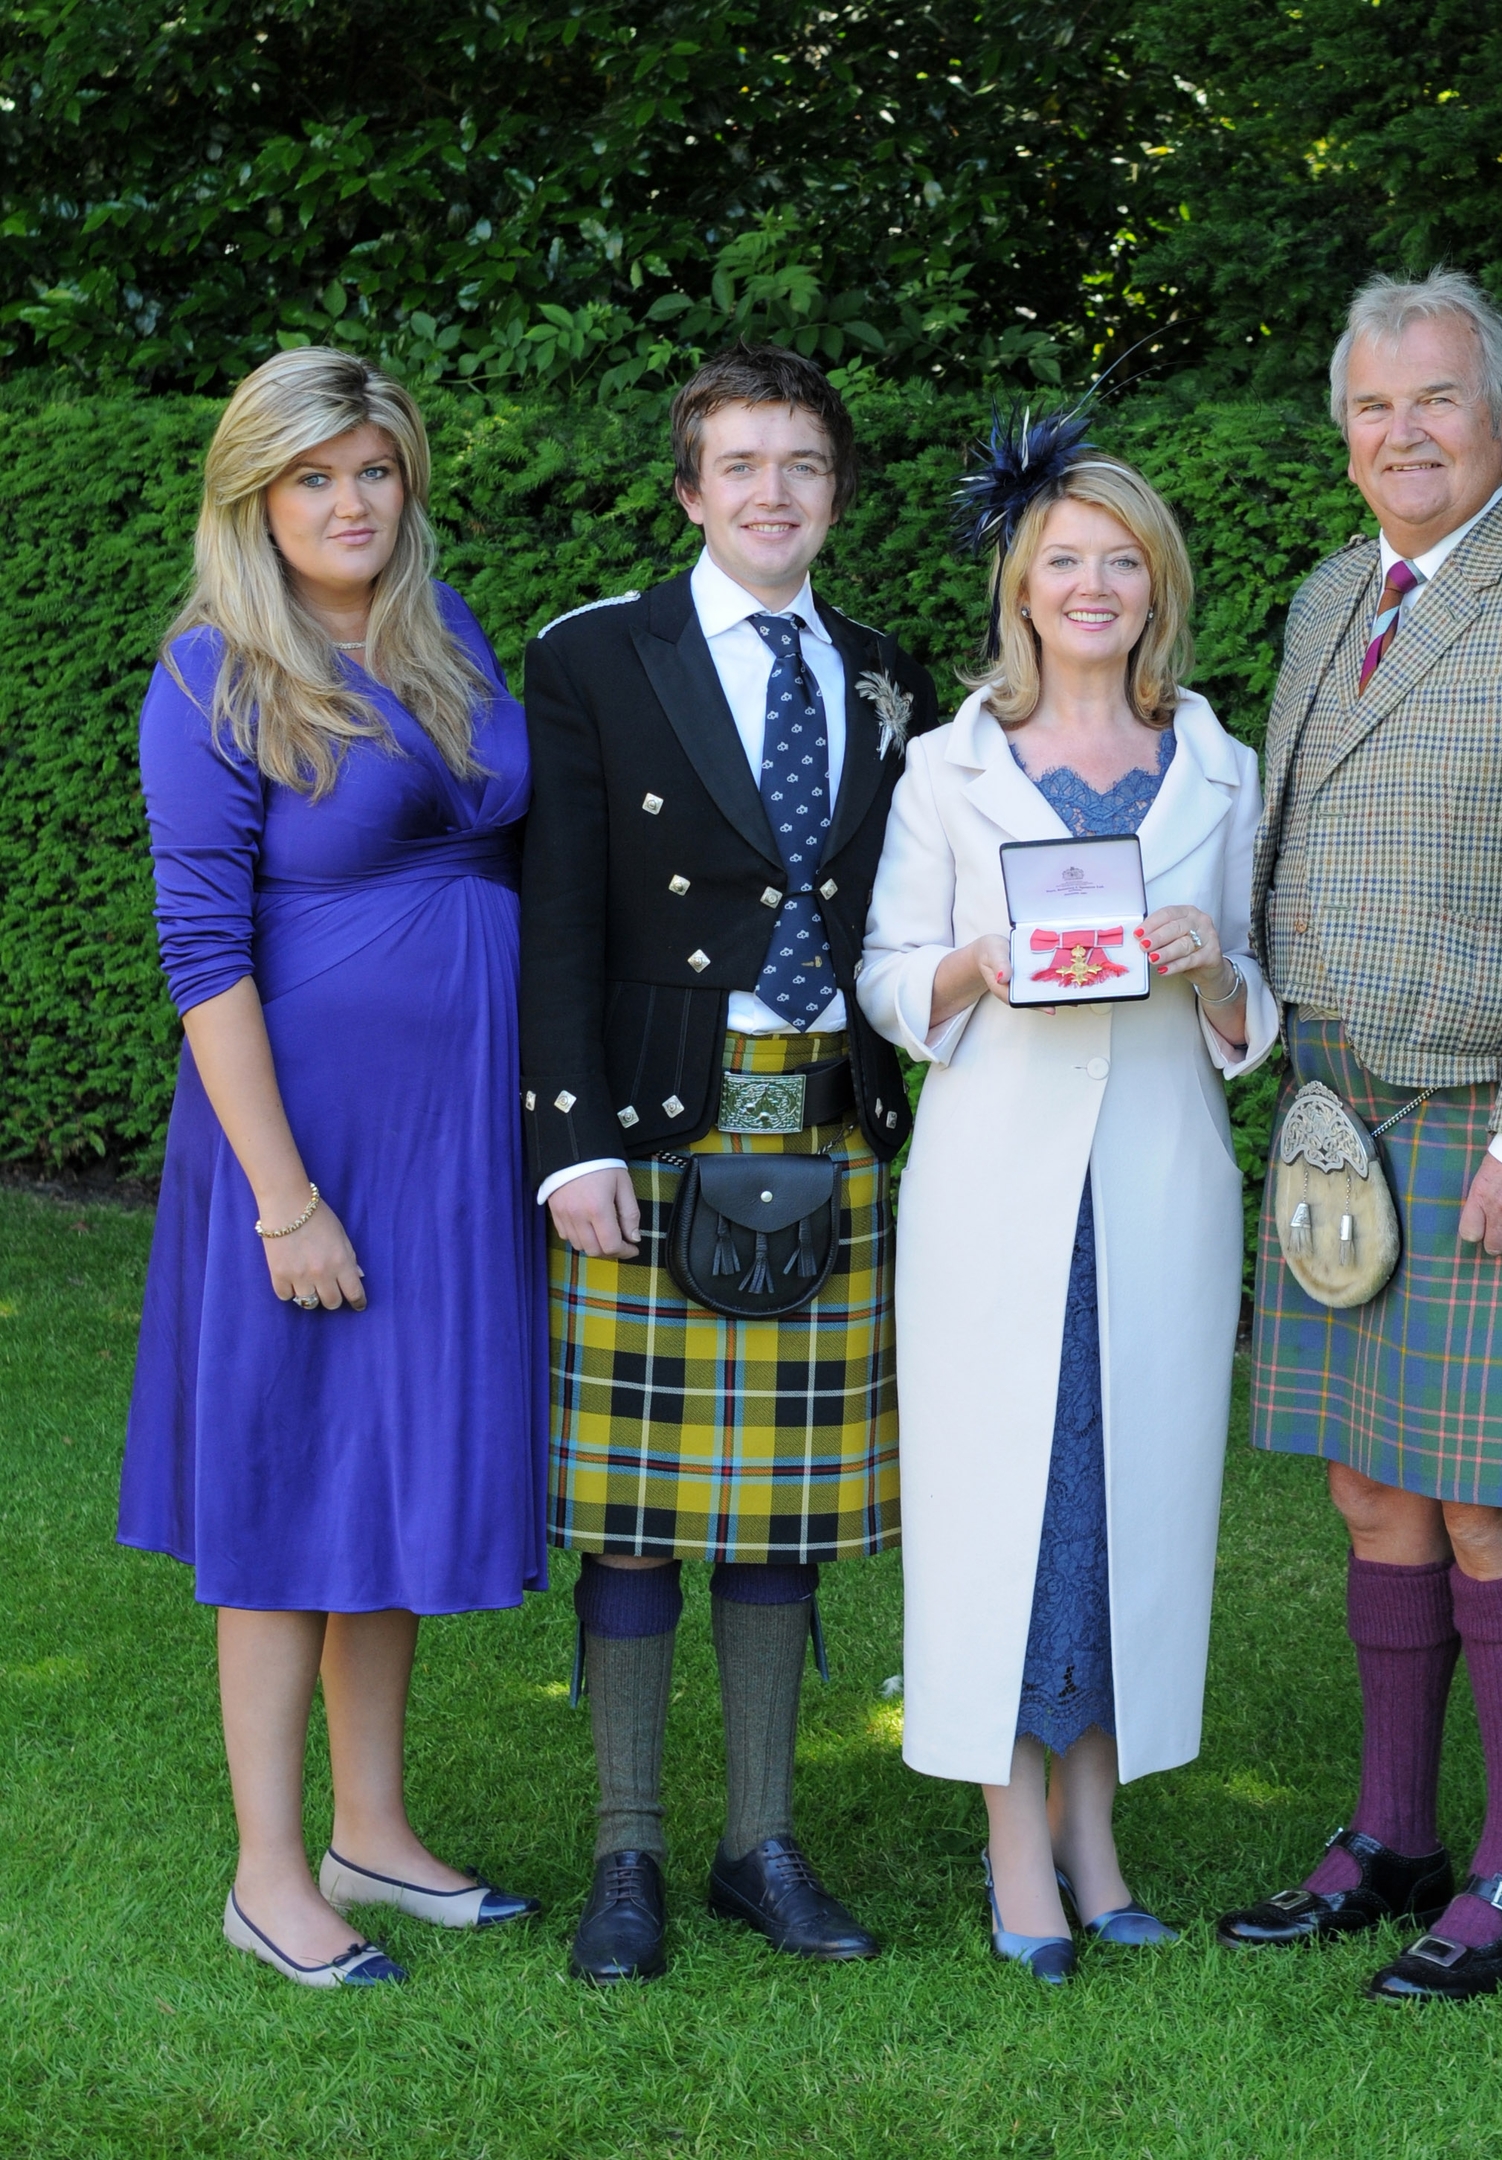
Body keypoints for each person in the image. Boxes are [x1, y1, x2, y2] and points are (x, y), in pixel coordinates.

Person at [1218, 268, 1502, 2002]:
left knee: (1488, 1504)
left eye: (1432, 403)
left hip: (1487, 1124)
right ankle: (1390, 1833)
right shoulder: (1333, 593)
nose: (1398, 434)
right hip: (1336, 1118)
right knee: (1368, 1491)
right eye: (1369, 407)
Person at [119, 347, 545, 1989]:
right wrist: (282, 1198)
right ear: (256, 499)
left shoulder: (446, 641)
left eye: (371, 471)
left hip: (450, 1146)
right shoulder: (214, 671)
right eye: (313, 479)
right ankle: (268, 1872)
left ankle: (375, 1826)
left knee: (392, 1467)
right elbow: (202, 955)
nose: (349, 503)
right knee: (293, 1481)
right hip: (302, 1144)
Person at [521, 343, 938, 1982]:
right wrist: (569, 1146)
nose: (774, 493)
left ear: (836, 492)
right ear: (690, 491)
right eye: (741, 466)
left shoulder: (885, 668)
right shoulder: (597, 659)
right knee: (633, 1519)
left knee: (781, 1519)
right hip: (653, 1125)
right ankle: (623, 1856)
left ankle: (759, 1843)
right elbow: (554, 918)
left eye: (805, 466)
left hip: (829, 1125)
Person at [860, 431, 1277, 1983]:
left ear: (1153, 585)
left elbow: (1253, 1006)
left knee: (1125, 1516)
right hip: (992, 1199)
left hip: (1158, 1192)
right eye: (1062, 561)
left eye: (1120, 560)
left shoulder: (1219, 766)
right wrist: (985, 961)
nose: (1091, 585)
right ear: (1019, 589)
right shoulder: (947, 768)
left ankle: (1096, 1835)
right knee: (1001, 1520)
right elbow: (891, 981)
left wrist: (1212, 969)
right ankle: (1008, 1844)